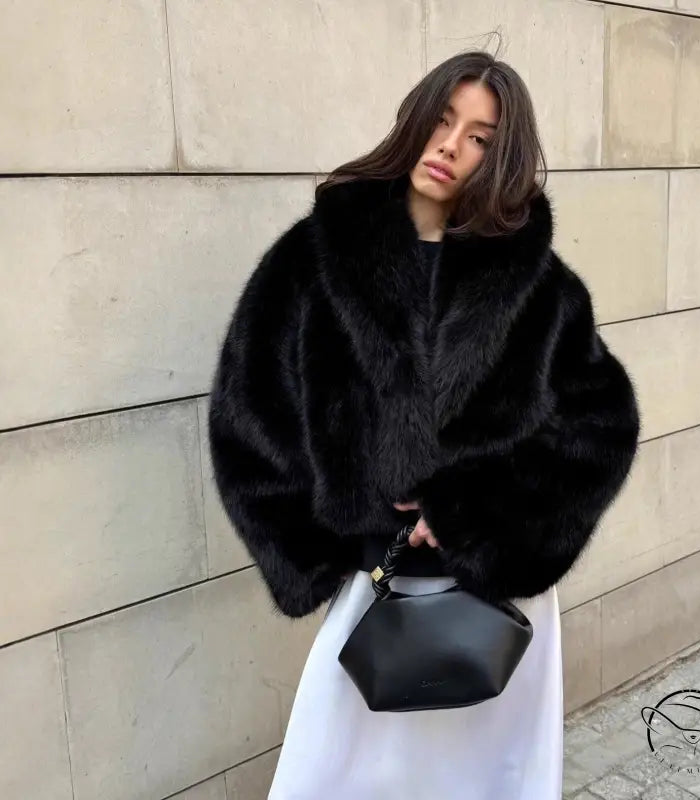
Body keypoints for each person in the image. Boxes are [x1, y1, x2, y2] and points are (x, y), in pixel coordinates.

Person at [207, 48, 640, 800]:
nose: (450, 146)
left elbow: (599, 429)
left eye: (479, 137)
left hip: (497, 602)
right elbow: (249, 413)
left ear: (499, 158)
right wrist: (320, 544)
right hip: (375, 593)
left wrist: (470, 511)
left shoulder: (540, 288)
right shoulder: (314, 261)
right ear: (415, 120)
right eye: (443, 120)